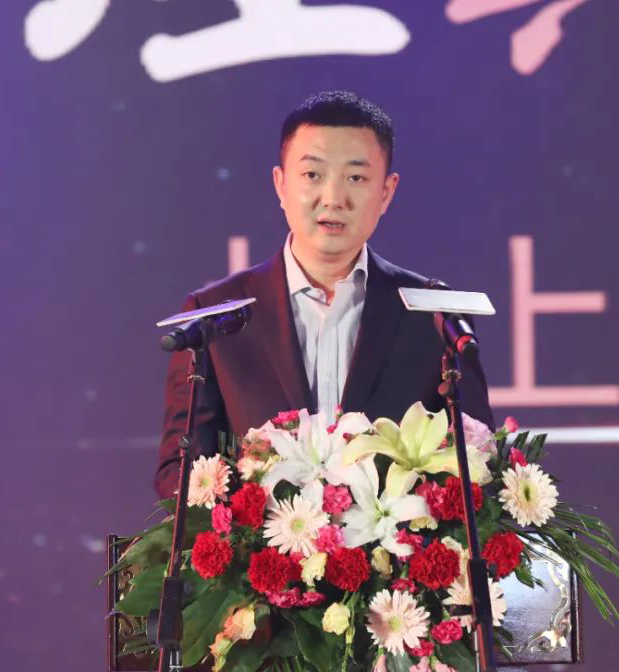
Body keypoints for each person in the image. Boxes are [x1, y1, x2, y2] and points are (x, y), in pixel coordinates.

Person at [154, 91, 493, 498]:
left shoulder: (433, 315)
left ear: (386, 192)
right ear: (281, 185)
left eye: (356, 178)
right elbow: (179, 475)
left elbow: (479, 467)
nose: (333, 198)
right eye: (313, 175)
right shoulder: (213, 318)